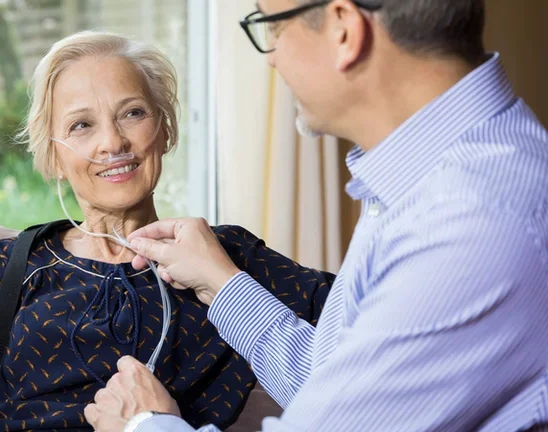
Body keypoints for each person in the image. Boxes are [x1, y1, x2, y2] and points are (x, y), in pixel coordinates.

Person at [0, 31, 333, 431]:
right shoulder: (9, 266)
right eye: (81, 126)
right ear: (52, 157)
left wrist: (224, 279)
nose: (113, 141)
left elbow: (372, 318)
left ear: (165, 128)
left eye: (132, 113)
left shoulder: (227, 257)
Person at [85, 0, 548, 431]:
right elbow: (337, 390)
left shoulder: (470, 221)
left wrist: (144, 423)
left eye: (274, 27)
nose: (272, 58)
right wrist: (220, 283)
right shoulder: (419, 182)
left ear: (344, 29)